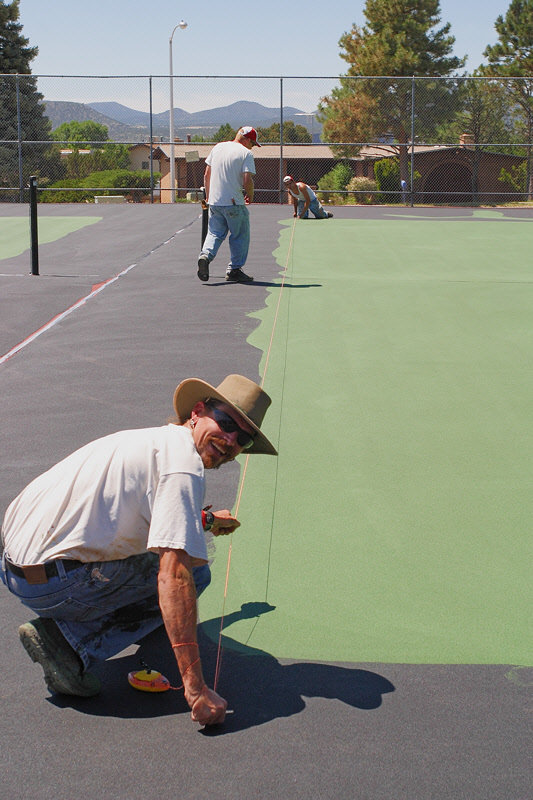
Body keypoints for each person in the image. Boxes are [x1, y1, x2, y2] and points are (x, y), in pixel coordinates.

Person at [0, 374, 277, 727]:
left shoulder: (156, 441)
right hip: (53, 583)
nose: (231, 440)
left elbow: (142, 508)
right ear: (197, 412)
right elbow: (174, 576)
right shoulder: (184, 468)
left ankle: (142, 617)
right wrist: (196, 689)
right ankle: (69, 645)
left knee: (176, 558)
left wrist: (205, 520)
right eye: (225, 424)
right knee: (193, 573)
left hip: (12, 562)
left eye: (244, 438)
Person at [197, 126, 261, 284]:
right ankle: (235, 270)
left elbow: (207, 174)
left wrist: (209, 197)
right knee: (240, 235)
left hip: (215, 202)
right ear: (246, 140)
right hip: (234, 203)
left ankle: (205, 256)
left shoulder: (218, 147)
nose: (252, 146)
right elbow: (247, 179)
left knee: (214, 233)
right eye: (252, 143)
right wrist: (250, 195)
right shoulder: (246, 153)